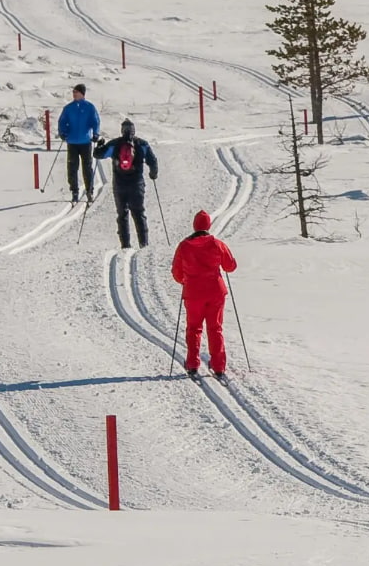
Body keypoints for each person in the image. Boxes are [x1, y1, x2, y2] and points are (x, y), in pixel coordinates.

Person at [172, 210, 237, 380]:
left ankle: (192, 364)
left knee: (194, 328)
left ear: (194, 226)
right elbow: (230, 266)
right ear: (208, 225)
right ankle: (219, 366)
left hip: (193, 294)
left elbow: (177, 273)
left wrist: (186, 281)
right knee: (215, 328)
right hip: (215, 292)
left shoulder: (184, 246)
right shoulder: (217, 244)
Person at [94, 119, 158, 248]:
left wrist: (99, 144)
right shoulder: (142, 144)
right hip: (137, 184)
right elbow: (152, 161)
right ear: (133, 130)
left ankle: (125, 245)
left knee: (122, 214)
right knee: (139, 213)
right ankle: (143, 243)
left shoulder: (114, 144)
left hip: (119, 185)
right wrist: (153, 174)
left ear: (122, 131)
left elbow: (98, 155)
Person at [57, 83, 100, 204]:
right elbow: (62, 121)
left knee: (87, 167)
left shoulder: (90, 107)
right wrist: (62, 132)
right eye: (73, 92)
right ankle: (74, 191)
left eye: (76, 92)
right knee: (72, 167)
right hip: (72, 142)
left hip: (85, 142)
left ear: (82, 93)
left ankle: (89, 190)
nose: (74, 94)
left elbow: (95, 121)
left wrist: (96, 133)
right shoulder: (68, 108)